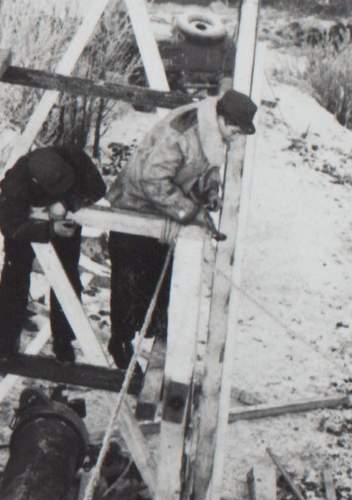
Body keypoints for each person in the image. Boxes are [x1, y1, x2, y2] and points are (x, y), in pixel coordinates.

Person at [106, 89, 258, 368]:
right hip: (134, 207)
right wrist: (190, 211)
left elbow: (205, 166)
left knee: (157, 277)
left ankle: (153, 337)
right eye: (234, 131)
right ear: (222, 119)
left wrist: (210, 191)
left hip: (160, 211)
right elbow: (152, 180)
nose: (234, 137)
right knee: (128, 282)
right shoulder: (181, 133)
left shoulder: (210, 131)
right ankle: (121, 342)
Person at [0, 144, 107, 363]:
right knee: (14, 272)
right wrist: (50, 229)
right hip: (27, 224)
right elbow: (10, 226)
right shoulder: (17, 182)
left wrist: (67, 202)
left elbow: (97, 188)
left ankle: (64, 340)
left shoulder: (73, 156)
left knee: (67, 275)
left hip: (66, 220)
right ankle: (7, 337)